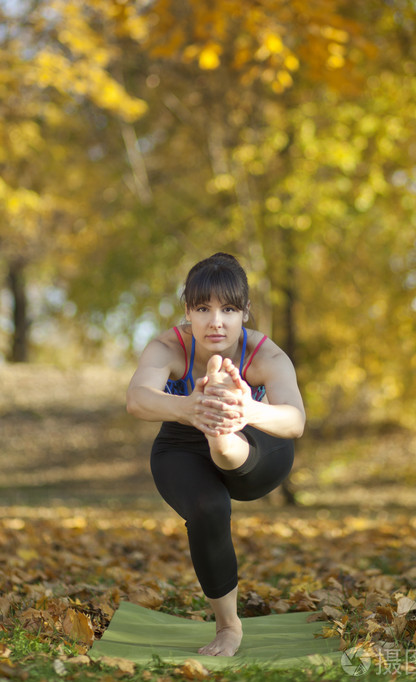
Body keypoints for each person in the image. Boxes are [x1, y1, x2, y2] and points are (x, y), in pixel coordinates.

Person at [126, 252, 306, 657]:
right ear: (187, 310)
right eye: (203, 309)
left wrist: (245, 411)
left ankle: (223, 433)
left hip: (258, 444)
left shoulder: (266, 355)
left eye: (228, 309)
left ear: (245, 312)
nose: (215, 321)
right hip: (181, 440)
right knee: (208, 507)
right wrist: (191, 408)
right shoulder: (169, 345)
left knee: (230, 436)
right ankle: (229, 628)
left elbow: (295, 421)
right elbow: (137, 399)